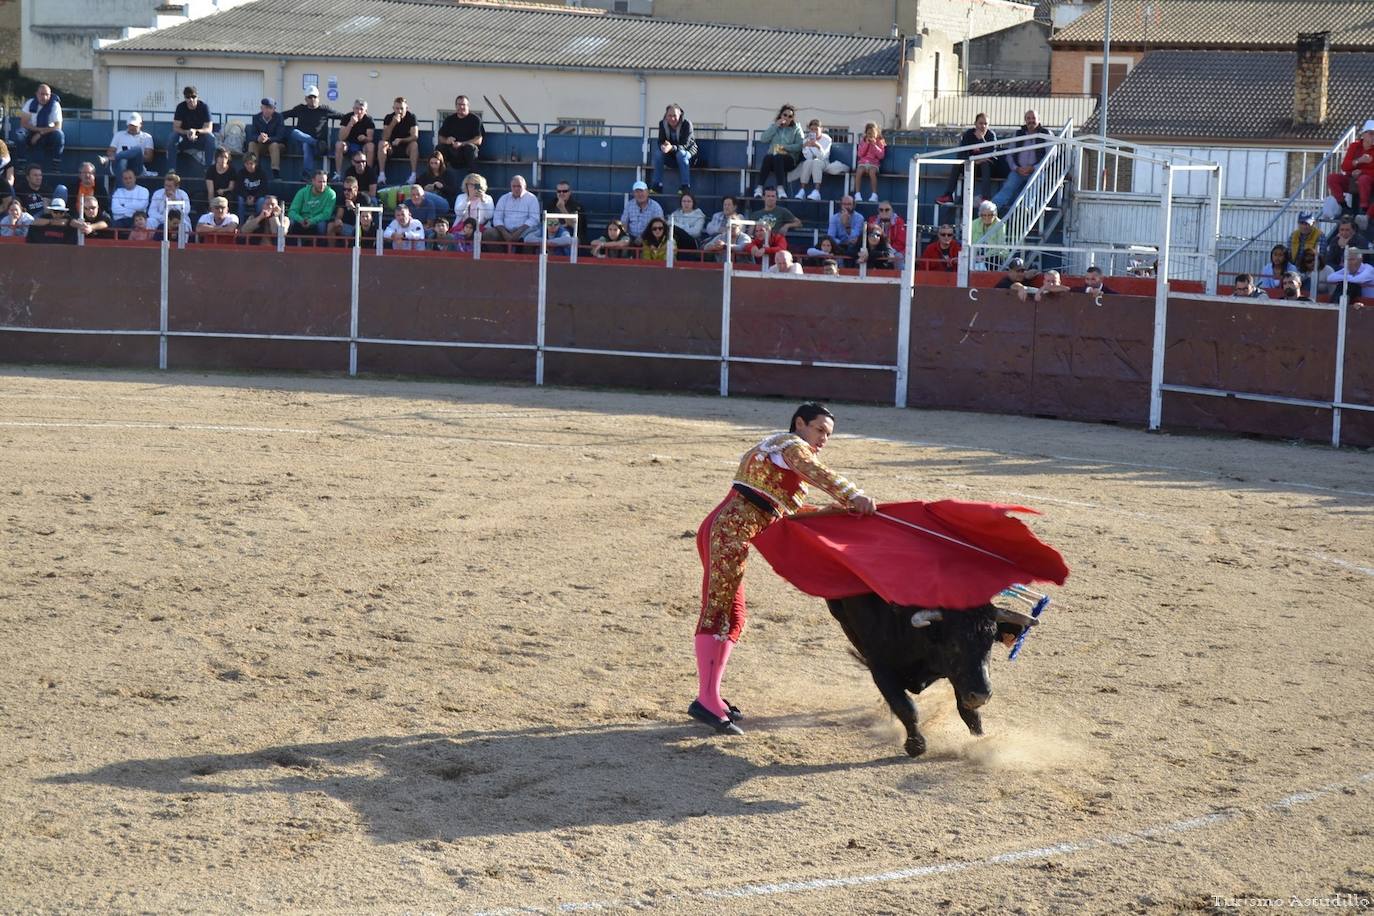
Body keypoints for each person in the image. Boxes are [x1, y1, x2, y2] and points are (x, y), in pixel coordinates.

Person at [689, 403, 876, 735]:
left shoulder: (782, 459)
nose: (823, 440)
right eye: (819, 430)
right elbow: (818, 472)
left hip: (729, 532)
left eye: (828, 435)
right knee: (719, 611)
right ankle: (706, 699)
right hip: (728, 532)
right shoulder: (791, 446)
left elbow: (788, 509)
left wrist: (831, 511)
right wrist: (853, 496)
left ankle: (711, 696)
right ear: (800, 424)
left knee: (734, 615)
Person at [991, 109, 1050, 213]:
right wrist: (1016, 168)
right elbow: (1009, 154)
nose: (1031, 121)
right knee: (1007, 188)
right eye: (1028, 118)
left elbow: (1051, 155)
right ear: (1025, 120)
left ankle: (1024, 210)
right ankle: (990, 211)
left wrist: (1034, 168)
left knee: (1033, 186)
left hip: (1038, 171)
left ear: (1039, 120)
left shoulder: (1046, 134)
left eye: (1033, 118)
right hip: (1018, 171)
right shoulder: (1019, 134)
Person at [937, 113, 998, 206]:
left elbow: (990, 153)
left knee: (985, 164)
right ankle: (948, 195)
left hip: (986, 169)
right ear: (975, 124)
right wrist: (974, 160)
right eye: (980, 123)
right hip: (971, 165)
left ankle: (986, 197)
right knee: (957, 163)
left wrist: (981, 139)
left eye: (986, 124)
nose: (983, 126)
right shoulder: (969, 134)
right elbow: (961, 153)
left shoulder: (991, 135)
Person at [282, 87, 342, 178]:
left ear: (318, 98)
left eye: (315, 97)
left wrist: (356, 117)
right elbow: (282, 115)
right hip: (305, 146)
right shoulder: (300, 109)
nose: (313, 99)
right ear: (306, 99)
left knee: (307, 144)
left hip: (320, 148)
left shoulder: (324, 110)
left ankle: (306, 174)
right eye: (310, 97)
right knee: (295, 133)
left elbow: (342, 116)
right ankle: (315, 142)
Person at [753, 103, 803, 198]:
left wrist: (784, 147)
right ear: (780, 115)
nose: (787, 118)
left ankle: (780, 188)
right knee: (768, 157)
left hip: (789, 160)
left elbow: (799, 146)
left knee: (778, 157)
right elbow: (763, 139)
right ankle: (759, 188)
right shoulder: (774, 127)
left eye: (790, 116)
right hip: (773, 159)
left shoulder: (796, 128)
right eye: (785, 115)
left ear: (792, 118)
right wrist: (776, 126)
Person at [1327, 120, 1374, 216]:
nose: (1373, 136)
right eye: (1371, 133)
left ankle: (1363, 210)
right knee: (1332, 178)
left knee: (1363, 179)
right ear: (1364, 134)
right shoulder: (1354, 146)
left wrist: (1361, 171)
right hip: (1352, 180)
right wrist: (1358, 161)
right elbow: (1344, 167)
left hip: (1369, 182)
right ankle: (1344, 207)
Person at [15, 83, 65, 168]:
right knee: (20, 134)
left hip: (48, 133)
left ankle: (56, 164)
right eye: (42, 94)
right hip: (31, 131)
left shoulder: (55, 105)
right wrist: (37, 130)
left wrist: (40, 133)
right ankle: (21, 163)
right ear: (37, 94)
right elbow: (24, 123)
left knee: (59, 135)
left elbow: (57, 126)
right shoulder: (30, 103)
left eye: (47, 95)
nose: (44, 97)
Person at [651, 103, 696, 193]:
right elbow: (660, 141)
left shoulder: (687, 124)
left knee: (681, 154)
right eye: (669, 115)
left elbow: (685, 145)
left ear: (680, 115)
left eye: (675, 115)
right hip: (671, 155)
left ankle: (685, 186)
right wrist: (663, 147)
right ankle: (657, 186)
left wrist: (671, 148)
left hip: (687, 155)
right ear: (666, 116)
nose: (672, 118)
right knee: (658, 154)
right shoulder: (662, 124)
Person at [485, 175, 540, 248]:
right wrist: (504, 232)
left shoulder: (532, 199)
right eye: (514, 186)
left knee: (530, 238)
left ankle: (523, 258)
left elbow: (534, 219)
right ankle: (500, 257)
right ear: (511, 187)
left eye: (519, 186)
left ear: (525, 186)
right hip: (504, 231)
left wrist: (518, 231)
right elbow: (497, 218)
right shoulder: (504, 198)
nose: (516, 188)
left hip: (524, 232)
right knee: (489, 233)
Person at [170, 86, 216, 167]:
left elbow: (209, 128)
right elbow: (176, 127)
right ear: (184, 98)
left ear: (197, 96)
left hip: (200, 138)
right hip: (184, 139)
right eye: (188, 97)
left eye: (193, 97)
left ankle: (208, 169)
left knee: (211, 137)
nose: (191, 99)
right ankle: (171, 170)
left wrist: (196, 131)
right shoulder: (180, 107)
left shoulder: (204, 107)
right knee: (172, 136)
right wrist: (187, 132)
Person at [378, 96, 420, 185]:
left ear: (407, 108)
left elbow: (415, 136)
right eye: (397, 108)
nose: (399, 111)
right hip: (391, 148)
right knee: (382, 144)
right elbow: (384, 137)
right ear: (393, 108)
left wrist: (401, 140)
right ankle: (381, 175)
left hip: (406, 147)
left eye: (402, 108)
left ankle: (413, 175)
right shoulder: (388, 117)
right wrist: (393, 123)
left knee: (414, 145)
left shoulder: (412, 117)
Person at [102, 113, 155, 180]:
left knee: (137, 150)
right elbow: (110, 151)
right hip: (119, 165)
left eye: (134, 125)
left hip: (136, 166)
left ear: (140, 124)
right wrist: (125, 156)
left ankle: (110, 158)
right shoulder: (119, 135)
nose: (132, 127)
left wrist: (131, 156)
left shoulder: (147, 137)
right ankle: (121, 157)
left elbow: (149, 158)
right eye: (130, 125)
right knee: (123, 160)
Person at [437, 95, 484, 170]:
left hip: (467, 151)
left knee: (470, 148)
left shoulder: (475, 119)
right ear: (455, 106)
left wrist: (462, 144)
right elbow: (440, 137)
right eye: (459, 104)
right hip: (452, 150)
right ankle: (440, 176)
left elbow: (478, 140)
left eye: (463, 105)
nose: (461, 107)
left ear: (468, 106)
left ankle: (473, 178)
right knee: (439, 148)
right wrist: (446, 141)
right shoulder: (449, 119)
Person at [333, 99, 376, 179]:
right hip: (348, 145)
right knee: (339, 145)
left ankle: (368, 173)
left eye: (361, 109)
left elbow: (370, 138)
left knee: (371, 146)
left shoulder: (369, 120)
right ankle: (338, 174)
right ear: (353, 109)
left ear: (365, 111)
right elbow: (341, 137)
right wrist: (350, 124)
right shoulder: (347, 117)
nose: (358, 111)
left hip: (363, 146)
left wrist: (365, 138)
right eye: (356, 108)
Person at [287, 170, 337, 238]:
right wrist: (301, 220)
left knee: (321, 225)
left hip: (318, 221)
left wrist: (311, 221)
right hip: (302, 220)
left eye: (324, 182)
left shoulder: (331, 194)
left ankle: (320, 247)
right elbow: (292, 211)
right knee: (291, 222)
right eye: (319, 182)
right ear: (313, 181)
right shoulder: (302, 192)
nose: (322, 185)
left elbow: (326, 214)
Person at [247, 98, 287, 177]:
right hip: (262, 145)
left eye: (270, 108)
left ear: (274, 109)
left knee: (274, 145)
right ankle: (253, 170)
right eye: (265, 107)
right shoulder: (256, 117)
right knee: (252, 144)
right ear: (261, 108)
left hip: (278, 146)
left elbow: (280, 136)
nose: (268, 110)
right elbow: (252, 135)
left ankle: (275, 172)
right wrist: (258, 138)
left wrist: (268, 139)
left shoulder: (279, 117)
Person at [326, 176, 372, 244]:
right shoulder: (342, 197)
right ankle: (331, 252)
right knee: (331, 226)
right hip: (347, 226)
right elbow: (339, 214)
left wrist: (353, 208)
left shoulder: (364, 199)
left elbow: (365, 219)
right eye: (344, 189)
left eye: (349, 190)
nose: (346, 192)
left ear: (356, 189)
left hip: (360, 228)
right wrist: (338, 220)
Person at [795, 118, 833, 201]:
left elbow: (824, 156)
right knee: (807, 162)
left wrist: (818, 146)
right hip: (811, 161)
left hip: (824, 162)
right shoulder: (806, 140)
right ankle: (802, 190)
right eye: (812, 129)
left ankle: (816, 191)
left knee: (816, 162)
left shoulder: (827, 139)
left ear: (821, 129)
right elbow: (808, 157)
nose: (814, 131)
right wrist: (805, 147)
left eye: (816, 129)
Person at [545, 180, 588, 247]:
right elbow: (547, 222)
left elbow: (575, 226)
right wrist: (561, 225)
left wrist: (562, 208)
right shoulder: (552, 204)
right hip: (553, 233)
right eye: (559, 191)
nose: (561, 193)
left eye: (565, 191)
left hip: (572, 235)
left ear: (569, 192)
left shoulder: (577, 206)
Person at [852, 121, 885, 203]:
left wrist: (874, 145)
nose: (871, 135)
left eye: (873, 133)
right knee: (859, 171)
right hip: (863, 163)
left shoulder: (880, 142)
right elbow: (860, 154)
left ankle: (874, 194)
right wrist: (867, 144)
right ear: (866, 133)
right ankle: (857, 194)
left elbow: (881, 155)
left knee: (872, 172)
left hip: (874, 164)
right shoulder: (863, 141)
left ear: (877, 133)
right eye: (869, 133)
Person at [826, 194, 865, 263]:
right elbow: (830, 237)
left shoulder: (859, 218)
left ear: (853, 205)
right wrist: (841, 242)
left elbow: (855, 237)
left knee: (852, 248)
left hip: (854, 247)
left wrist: (846, 225)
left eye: (849, 204)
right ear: (841, 205)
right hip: (839, 246)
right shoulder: (834, 218)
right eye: (844, 204)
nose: (847, 207)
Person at [971, 200, 1009, 269]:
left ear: (995, 215)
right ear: (980, 215)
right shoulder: (974, 224)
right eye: (984, 215)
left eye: (990, 215)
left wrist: (985, 256)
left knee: (993, 260)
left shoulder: (1000, 225)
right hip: (977, 254)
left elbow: (1000, 246)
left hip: (994, 255)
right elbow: (970, 242)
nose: (987, 217)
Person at [236, 153, 270, 222]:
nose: (249, 166)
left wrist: (254, 197)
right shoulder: (241, 173)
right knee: (240, 199)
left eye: (251, 163)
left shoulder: (261, 173)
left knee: (261, 201)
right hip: (245, 196)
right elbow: (239, 188)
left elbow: (263, 189)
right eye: (247, 164)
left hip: (258, 196)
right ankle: (240, 224)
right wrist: (246, 197)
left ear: (255, 163)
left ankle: (259, 223)